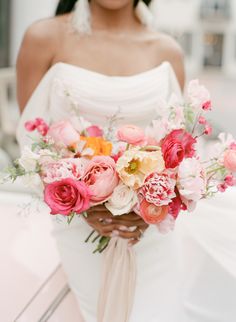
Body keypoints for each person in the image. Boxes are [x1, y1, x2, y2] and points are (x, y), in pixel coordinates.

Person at [16, 1, 236, 322]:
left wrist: (152, 202)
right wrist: (85, 202)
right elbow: (31, 143)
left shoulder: (168, 50)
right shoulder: (43, 37)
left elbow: (175, 145)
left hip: (151, 231)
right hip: (79, 229)